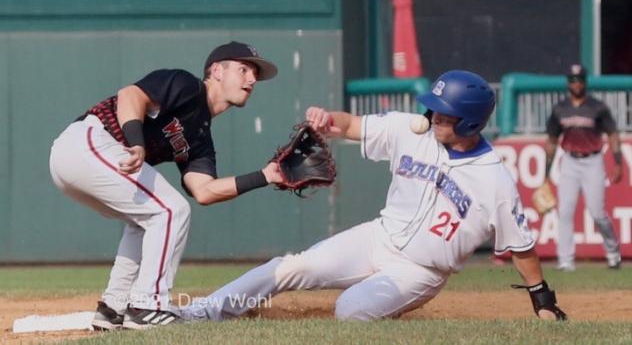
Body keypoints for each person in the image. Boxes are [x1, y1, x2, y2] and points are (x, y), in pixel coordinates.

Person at [177, 70, 566, 322]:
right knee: (290, 267)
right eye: (433, 109)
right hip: (377, 237)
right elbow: (351, 125)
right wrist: (329, 121)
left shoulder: (493, 178)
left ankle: (383, 304)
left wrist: (542, 299)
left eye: (445, 115)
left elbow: (521, 246)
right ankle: (202, 312)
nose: (434, 118)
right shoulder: (412, 130)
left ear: (471, 122)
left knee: (350, 312)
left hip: (421, 271)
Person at [49, 41, 284, 330]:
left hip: (91, 160)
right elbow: (130, 95)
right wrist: (136, 141)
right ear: (217, 71)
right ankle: (148, 305)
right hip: (88, 142)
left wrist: (265, 176)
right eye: (244, 69)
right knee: (171, 210)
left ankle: (113, 308)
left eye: (255, 75)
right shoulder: (187, 86)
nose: (251, 79)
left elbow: (205, 190)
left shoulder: (201, 139)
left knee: (148, 218)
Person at [544, 63, 623, 272]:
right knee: (565, 210)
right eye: (572, 80)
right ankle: (565, 260)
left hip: (593, 161)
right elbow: (552, 140)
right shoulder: (560, 108)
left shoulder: (597, 106)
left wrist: (617, 162)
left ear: (585, 82)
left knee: (597, 213)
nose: (576, 83)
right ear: (567, 82)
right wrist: (546, 172)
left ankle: (613, 252)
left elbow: (612, 135)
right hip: (569, 161)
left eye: (579, 79)